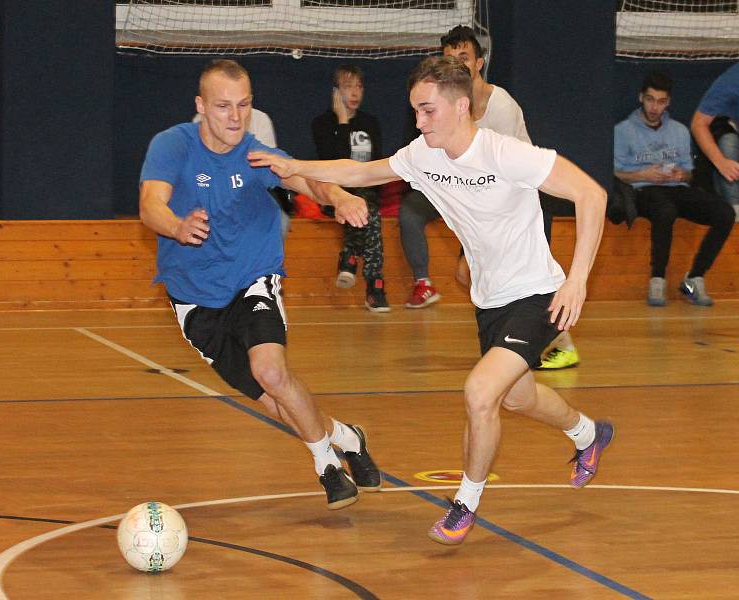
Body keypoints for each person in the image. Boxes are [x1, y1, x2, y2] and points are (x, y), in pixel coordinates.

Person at [250, 56, 613, 546]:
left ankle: (464, 503)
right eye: (415, 112)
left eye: (427, 111)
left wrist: (578, 280)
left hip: (539, 293)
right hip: (490, 300)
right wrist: (297, 167)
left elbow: (591, 195)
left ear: (461, 106)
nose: (418, 122)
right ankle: (589, 434)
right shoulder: (425, 155)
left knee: (480, 393)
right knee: (517, 396)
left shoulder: (507, 154)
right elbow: (360, 172)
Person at [140, 59, 382, 510]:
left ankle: (325, 467)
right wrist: (175, 227)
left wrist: (340, 196)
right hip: (195, 300)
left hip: (253, 277)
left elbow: (306, 181)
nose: (235, 117)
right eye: (223, 106)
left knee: (271, 371)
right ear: (200, 106)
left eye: (244, 105)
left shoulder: (255, 154)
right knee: (271, 399)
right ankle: (347, 436)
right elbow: (151, 205)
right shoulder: (172, 146)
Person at [402, 25, 579, 370]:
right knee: (469, 274)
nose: (458, 64)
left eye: (464, 57)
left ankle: (555, 339)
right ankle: (514, 343)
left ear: (479, 63)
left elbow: (511, 173)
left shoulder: (501, 107)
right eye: (450, 58)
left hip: (519, 201)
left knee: (502, 276)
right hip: (481, 201)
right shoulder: (447, 111)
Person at [615, 71, 735, 307]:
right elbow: (615, 172)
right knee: (665, 211)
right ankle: (657, 278)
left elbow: (690, 173)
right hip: (644, 190)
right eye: (650, 99)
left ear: (668, 103)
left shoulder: (679, 130)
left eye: (660, 102)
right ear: (641, 97)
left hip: (676, 188)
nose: (654, 107)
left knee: (725, 213)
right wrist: (642, 174)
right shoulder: (623, 130)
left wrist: (683, 174)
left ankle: (694, 278)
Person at [312, 65, 389, 312]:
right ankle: (375, 288)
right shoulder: (322, 123)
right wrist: (343, 122)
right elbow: (336, 164)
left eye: (359, 86)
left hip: (366, 191)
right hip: (335, 191)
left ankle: (350, 258)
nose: (355, 92)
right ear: (336, 92)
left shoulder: (371, 123)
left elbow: (376, 167)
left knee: (368, 208)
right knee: (363, 207)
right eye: (347, 86)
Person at [194, 107, 293, 238]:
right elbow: (200, 168)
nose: (235, 116)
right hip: (213, 193)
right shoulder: (202, 118)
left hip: (253, 194)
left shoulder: (260, 119)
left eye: (242, 103)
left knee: (280, 221)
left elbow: (267, 169)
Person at [691, 62, 739, 222]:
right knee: (728, 143)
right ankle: (735, 211)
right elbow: (698, 123)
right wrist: (721, 162)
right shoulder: (733, 77)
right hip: (727, 140)